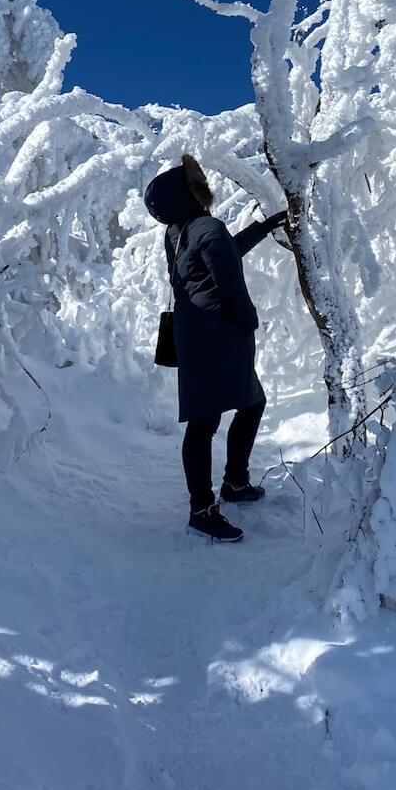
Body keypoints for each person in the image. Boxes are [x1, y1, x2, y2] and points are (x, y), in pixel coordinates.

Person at [144, 154, 288, 543]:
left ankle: (228, 488)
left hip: (193, 333)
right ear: (188, 195)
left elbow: (218, 252)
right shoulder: (206, 226)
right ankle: (207, 506)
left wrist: (259, 229)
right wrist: (248, 320)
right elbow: (227, 280)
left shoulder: (177, 232)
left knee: (215, 415)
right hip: (219, 333)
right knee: (228, 412)